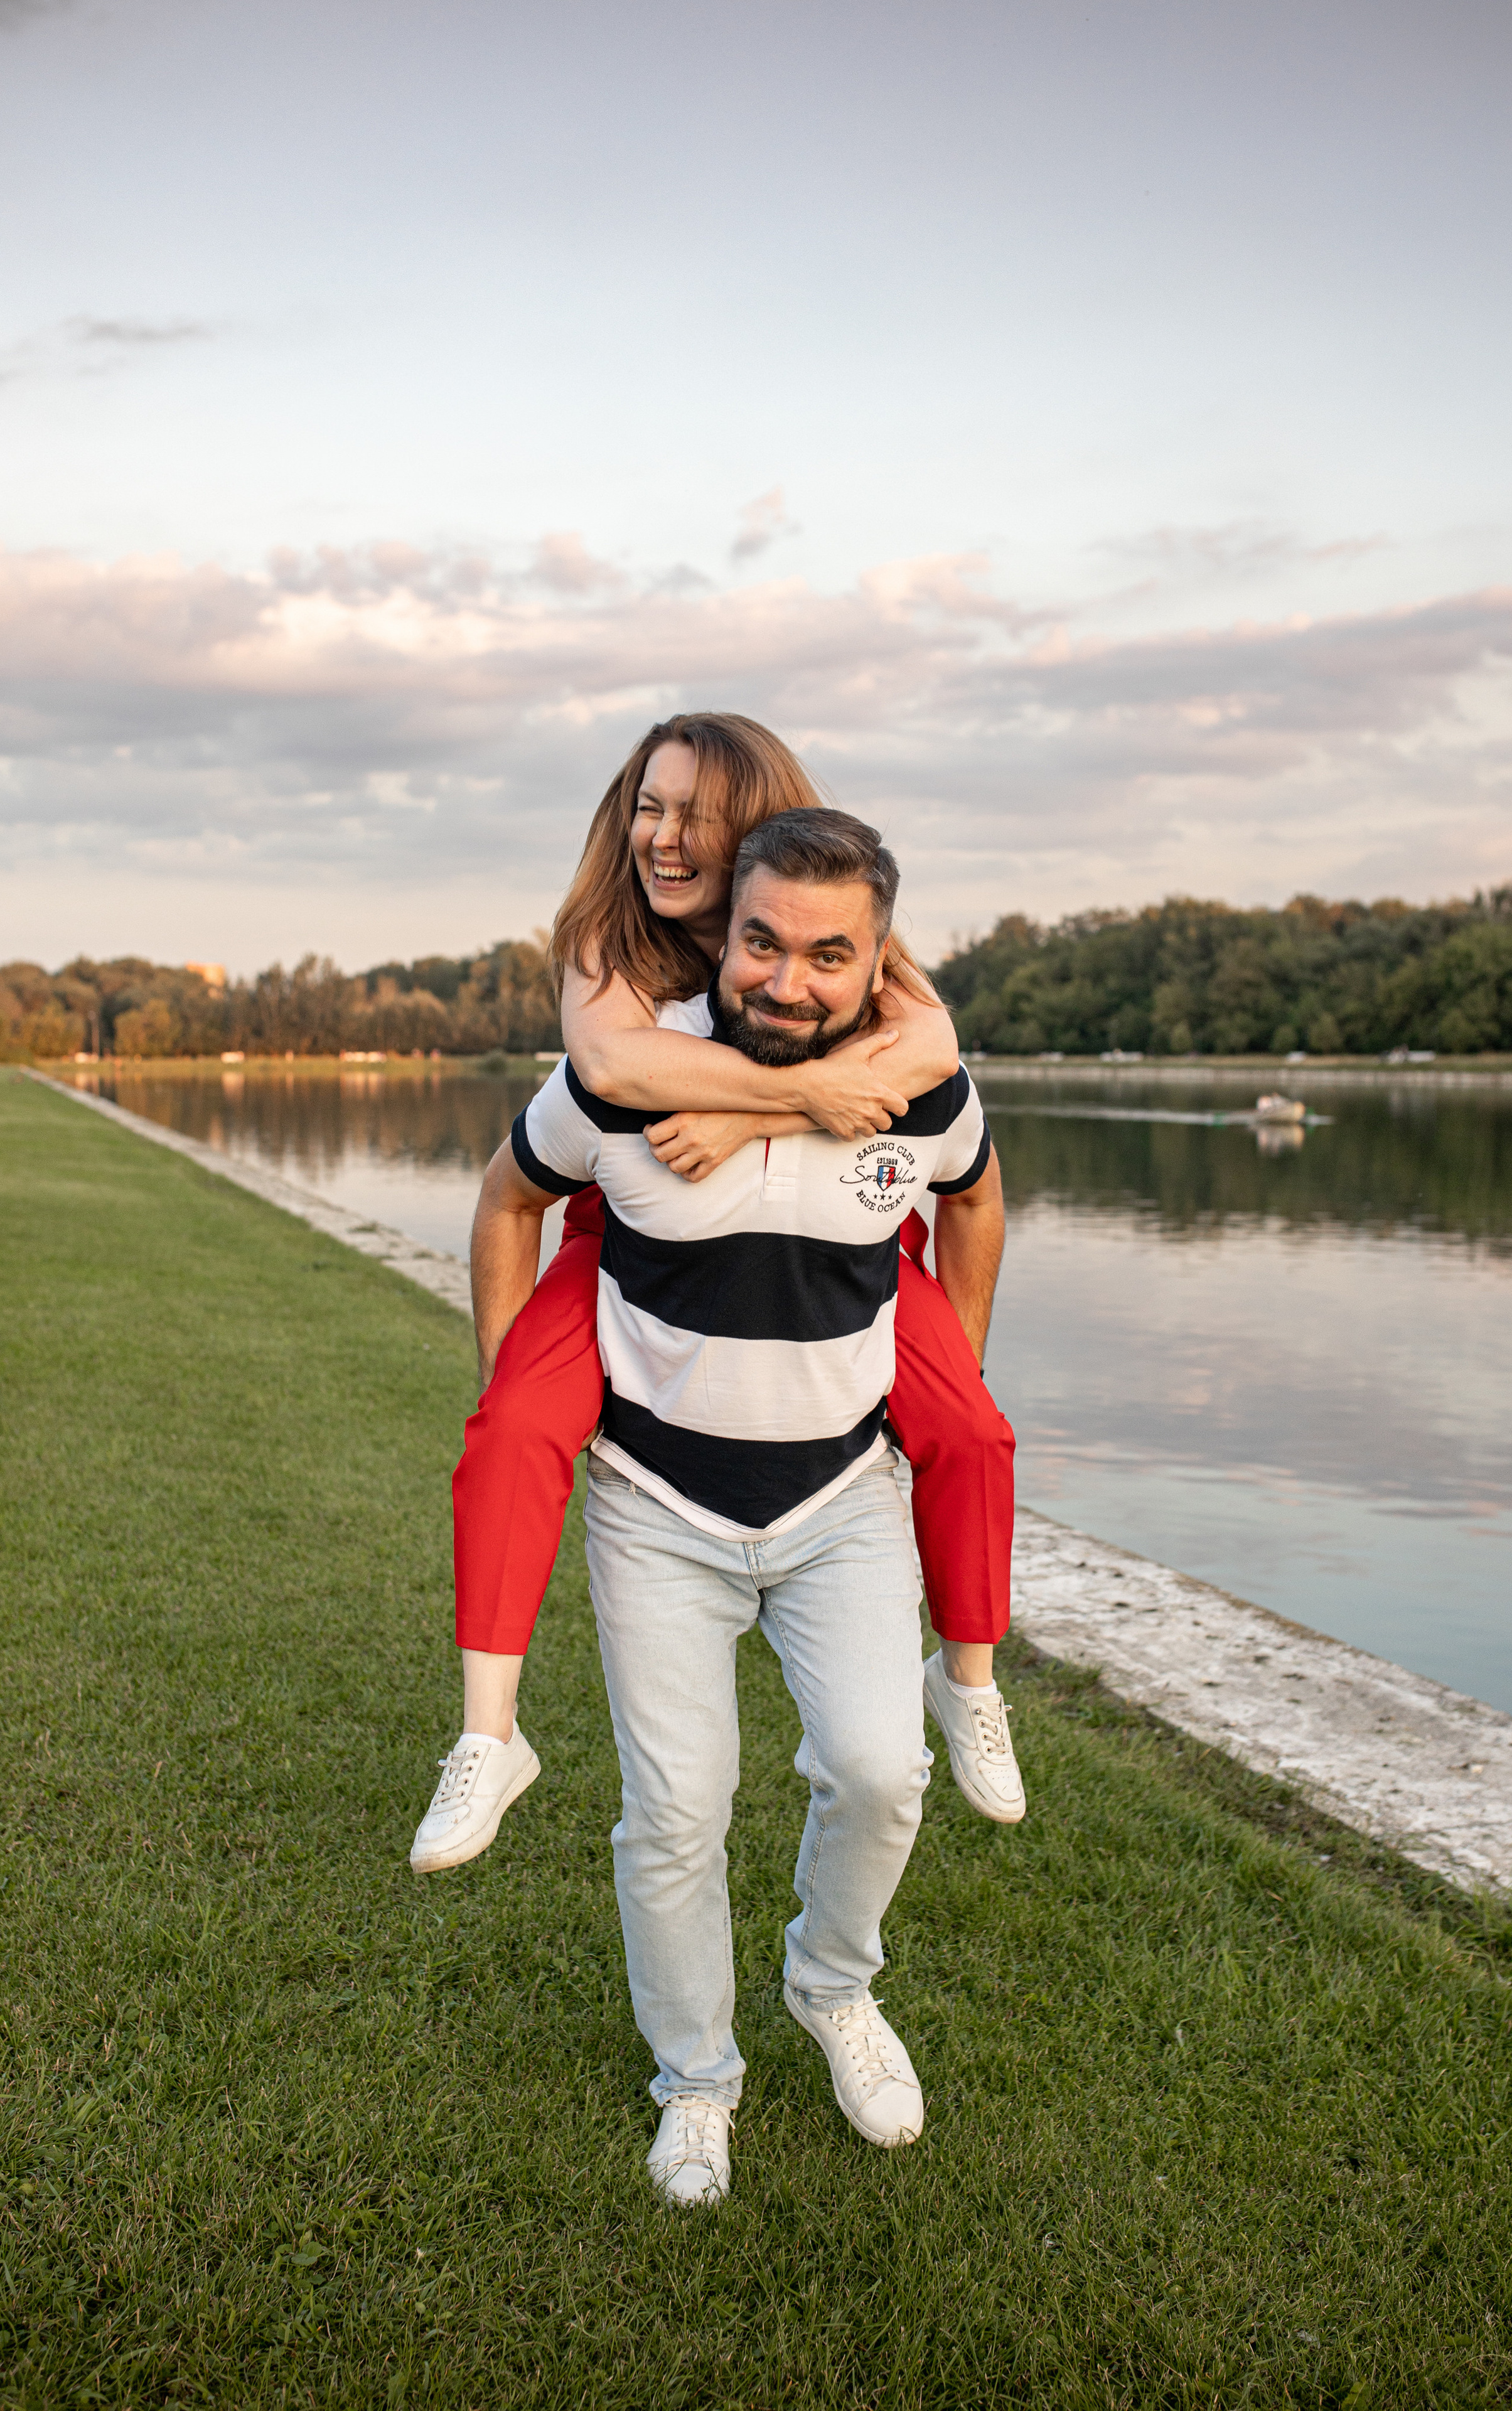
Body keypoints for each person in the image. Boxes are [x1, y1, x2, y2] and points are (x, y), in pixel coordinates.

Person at [469, 807, 1008, 2201]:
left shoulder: (918, 1087)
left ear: (879, 961)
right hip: (657, 1506)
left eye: (830, 954)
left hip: (842, 1499)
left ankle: (830, 1990)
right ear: (725, 934)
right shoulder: (626, 1077)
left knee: (884, 1773)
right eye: (761, 941)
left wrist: (949, 1369)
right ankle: (695, 2081)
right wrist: (521, 1390)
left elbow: (977, 1201)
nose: (787, 978)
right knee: (675, 1811)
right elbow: (503, 1200)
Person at [409, 714, 1022, 1878]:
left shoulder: (811, 905)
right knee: (517, 1426)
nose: (665, 835)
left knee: (968, 1424)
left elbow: (928, 1043)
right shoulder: (605, 938)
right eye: (649, 804)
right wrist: (796, 1097)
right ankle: (488, 1734)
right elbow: (616, 1073)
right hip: (630, 1225)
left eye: (694, 813)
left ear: (752, 828)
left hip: (840, 1243)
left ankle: (970, 1678)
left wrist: (751, 1113)